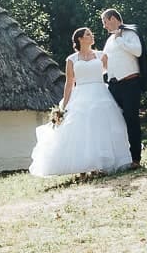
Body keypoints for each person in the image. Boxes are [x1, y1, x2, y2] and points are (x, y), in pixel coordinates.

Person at [29, 27, 133, 176]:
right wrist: (64, 105)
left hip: (100, 94)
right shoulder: (71, 59)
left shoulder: (101, 55)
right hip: (81, 95)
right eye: (88, 34)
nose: (91, 36)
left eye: (91, 34)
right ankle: (83, 167)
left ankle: (101, 165)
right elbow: (69, 82)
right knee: (80, 130)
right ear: (80, 39)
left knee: (102, 128)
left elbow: (112, 72)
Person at [101, 8, 147, 169]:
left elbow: (138, 51)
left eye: (105, 22)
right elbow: (105, 64)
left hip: (130, 84)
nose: (104, 26)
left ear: (113, 18)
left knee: (131, 120)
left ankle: (136, 158)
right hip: (114, 86)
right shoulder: (108, 41)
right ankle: (121, 158)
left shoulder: (130, 33)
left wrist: (120, 39)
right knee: (115, 121)